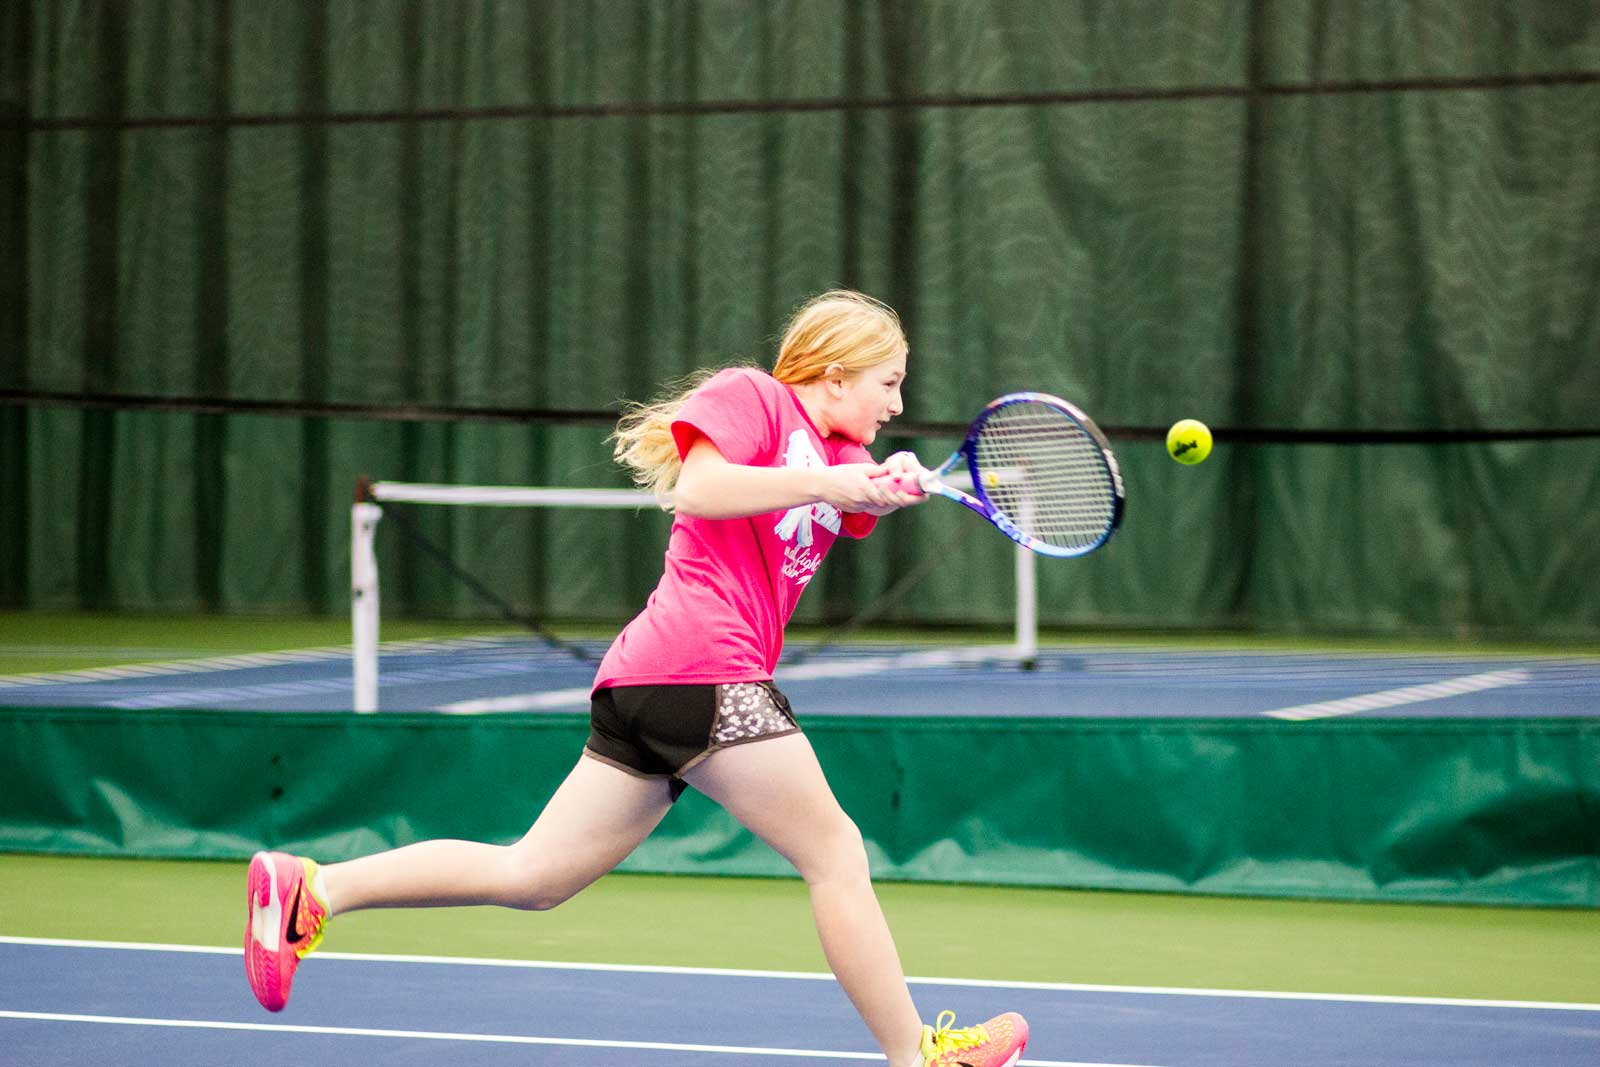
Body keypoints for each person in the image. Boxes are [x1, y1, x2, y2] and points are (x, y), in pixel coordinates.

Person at [243, 290, 1030, 1066]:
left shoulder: (841, 456)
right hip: (700, 667)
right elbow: (701, 488)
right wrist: (833, 483)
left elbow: (859, 494)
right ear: (832, 371)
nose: (898, 401)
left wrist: (894, 481)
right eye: (887, 381)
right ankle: (916, 1053)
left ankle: (315, 889)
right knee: (836, 852)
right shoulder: (754, 396)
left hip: (655, 682)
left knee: (534, 874)